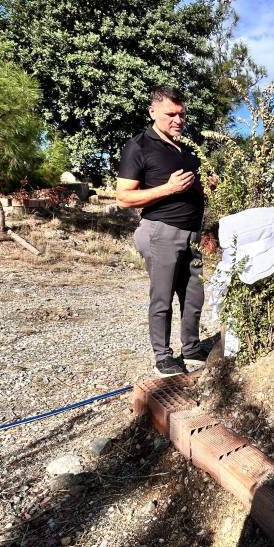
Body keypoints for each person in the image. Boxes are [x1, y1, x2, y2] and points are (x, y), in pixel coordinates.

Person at [116, 85, 215, 376]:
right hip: (160, 232)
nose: (178, 120)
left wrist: (207, 184)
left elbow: (194, 188)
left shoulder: (186, 149)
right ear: (152, 112)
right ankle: (163, 357)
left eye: (181, 114)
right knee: (162, 297)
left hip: (191, 234)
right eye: (170, 114)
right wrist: (168, 188)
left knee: (194, 295)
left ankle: (192, 348)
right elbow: (123, 198)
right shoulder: (139, 146)